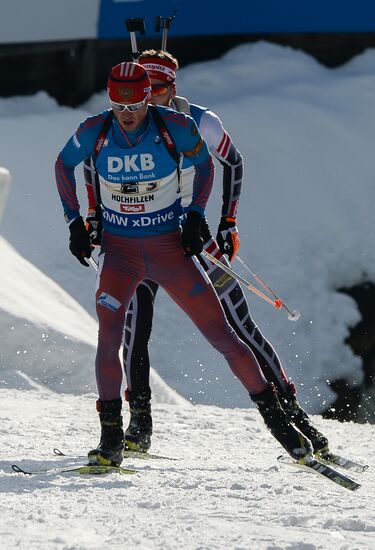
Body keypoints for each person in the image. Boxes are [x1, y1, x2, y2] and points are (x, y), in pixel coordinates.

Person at [56, 61, 314, 467]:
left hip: (170, 250)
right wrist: (77, 222)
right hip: (120, 255)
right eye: (119, 107)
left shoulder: (177, 125)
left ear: (153, 96)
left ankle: (283, 425)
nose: (128, 115)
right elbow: (63, 165)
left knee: (224, 334)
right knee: (111, 340)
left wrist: (199, 215)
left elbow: (210, 164)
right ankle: (113, 438)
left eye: (137, 105)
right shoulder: (96, 130)